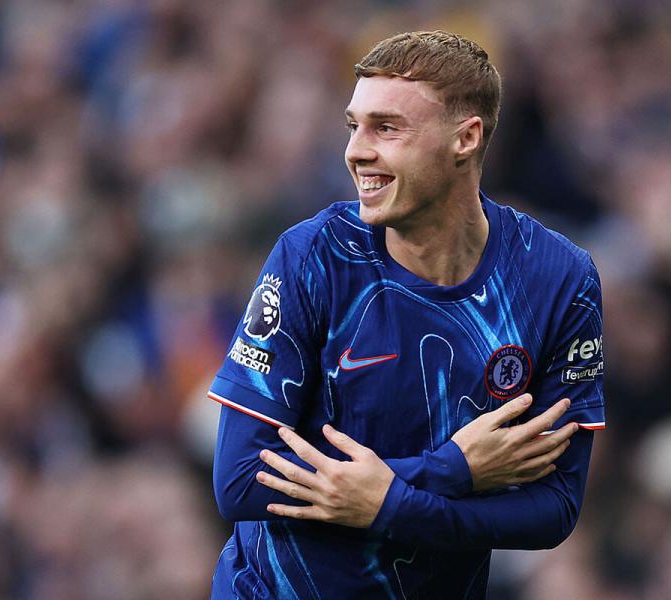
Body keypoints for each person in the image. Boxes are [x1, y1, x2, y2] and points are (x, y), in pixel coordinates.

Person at [208, 30, 606, 599]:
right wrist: (447, 473)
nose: (356, 151)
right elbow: (241, 481)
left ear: (464, 139)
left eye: (386, 128)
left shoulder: (558, 280)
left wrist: (390, 502)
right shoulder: (313, 257)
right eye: (354, 126)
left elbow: (555, 508)